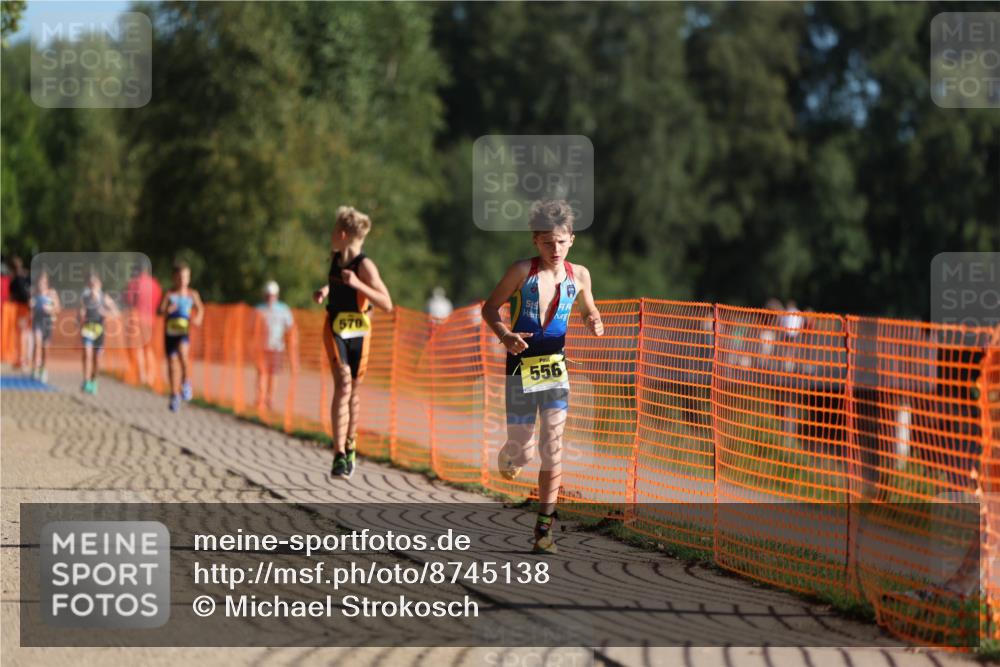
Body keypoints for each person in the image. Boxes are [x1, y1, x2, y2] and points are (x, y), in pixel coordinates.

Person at [481, 200, 604, 554]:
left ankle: (544, 528)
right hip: (521, 367)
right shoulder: (522, 271)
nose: (555, 249)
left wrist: (593, 319)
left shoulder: (579, 275)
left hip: (555, 368)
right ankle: (512, 451)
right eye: (548, 242)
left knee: (553, 446)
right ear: (536, 240)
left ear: (571, 240)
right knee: (524, 449)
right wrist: (505, 335)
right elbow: (489, 308)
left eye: (561, 242)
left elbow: (588, 305)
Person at [313, 206, 393, 480]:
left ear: (343, 234)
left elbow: (387, 303)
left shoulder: (365, 266)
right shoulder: (335, 258)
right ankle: (337, 454)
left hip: (361, 332)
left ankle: (350, 444)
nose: (331, 237)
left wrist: (359, 284)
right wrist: (325, 290)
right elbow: (336, 283)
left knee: (354, 392)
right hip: (335, 327)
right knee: (343, 384)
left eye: (334, 232)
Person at [158, 262, 204, 412]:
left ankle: (186, 383)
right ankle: (174, 394)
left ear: (189, 278)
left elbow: (200, 308)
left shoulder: (192, 294)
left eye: (185, 277)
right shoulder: (170, 294)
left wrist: (197, 319)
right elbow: (160, 311)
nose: (182, 280)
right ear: (174, 278)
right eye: (179, 277)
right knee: (172, 363)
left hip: (184, 332)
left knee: (183, 356)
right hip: (170, 332)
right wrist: (168, 310)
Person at [254, 280, 297, 412]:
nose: (270, 298)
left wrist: (291, 343)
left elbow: (291, 328)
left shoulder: (283, 310)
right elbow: (250, 328)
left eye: (272, 295)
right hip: (261, 348)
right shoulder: (258, 309)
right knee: (261, 373)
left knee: (274, 374)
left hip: (277, 348)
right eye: (268, 295)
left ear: (276, 295)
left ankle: (270, 398)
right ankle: (260, 398)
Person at [78, 272, 119, 394]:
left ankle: (93, 380)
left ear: (99, 285)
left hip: (99, 331)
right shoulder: (85, 298)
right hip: (87, 329)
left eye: (94, 284)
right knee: (87, 353)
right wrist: (80, 315)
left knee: (97, 359)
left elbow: (117, 313)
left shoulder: (104, 298)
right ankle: (86, 381)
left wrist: (104, 313)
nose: (92, 287)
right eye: (90, 285)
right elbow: (80, 312)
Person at [124, 263, 162, 386]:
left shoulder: (134, 283)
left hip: (137, 319)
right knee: (149, 348)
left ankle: (142, 377)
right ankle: (151, 378)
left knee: (139, 348)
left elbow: (128, 300)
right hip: (151, 320)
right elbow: (158, 301)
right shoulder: (155, 284)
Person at [30, 271, 60, 382]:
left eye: (43, 282)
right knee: (37, 344)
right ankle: (35, 369)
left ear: (47, 282)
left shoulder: (51, 294)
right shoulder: (34, 293)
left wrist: (50, 309)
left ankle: (43, 369)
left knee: (45, 348)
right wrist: (31, 306)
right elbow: (31, 310)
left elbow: (58, 309)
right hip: (37, 322)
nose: (41, 284)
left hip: (47, 323)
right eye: (40, 281)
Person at [9, 256, 32, 371]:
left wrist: (29, 304)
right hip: (23, 309)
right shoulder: (23, 277)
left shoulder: (18, 279)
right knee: (23, 334)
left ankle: (23, 360)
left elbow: (22, 295)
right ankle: (22, 359)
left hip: (23, 309)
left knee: (23, 334)